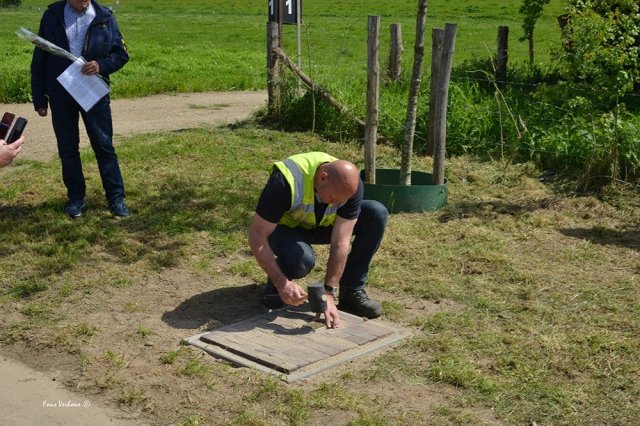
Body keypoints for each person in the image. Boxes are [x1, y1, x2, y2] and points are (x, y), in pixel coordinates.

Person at [248, 152, 389, 328]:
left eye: (341, 201)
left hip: (322, 225)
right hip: (287, 229)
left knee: (376, 213)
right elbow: (257, 236)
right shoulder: (285, 180)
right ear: (323, 178)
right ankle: (278, 284)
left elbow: (340, 242)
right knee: (302, 260)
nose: (337, 204)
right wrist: (282, 283)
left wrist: (329, 292)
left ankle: (351, 290)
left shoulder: (349, 186)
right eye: (334, 199)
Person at [31, 0, 130, 218]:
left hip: (93, 92)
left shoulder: (104, 16)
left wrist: (101, 65)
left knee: (104, 145)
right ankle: (76, 199)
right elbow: (40, 57)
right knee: (67, 149)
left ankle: (116, 199)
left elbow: (121, 54)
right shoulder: (52, 15)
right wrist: (39, 97)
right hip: (61, 93)